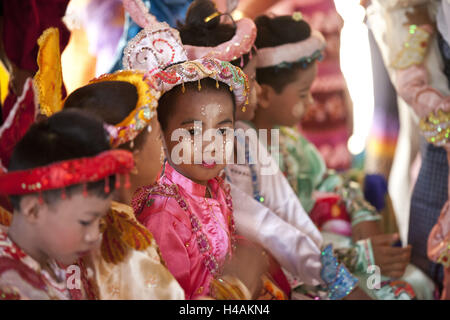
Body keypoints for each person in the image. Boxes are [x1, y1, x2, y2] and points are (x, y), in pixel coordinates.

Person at [176, 0, 363, 300]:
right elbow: (264, 226)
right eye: (251, 80)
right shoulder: (207, 157)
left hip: (273, 269)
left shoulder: (245, 137)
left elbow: (287, 209)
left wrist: (333, 276)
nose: (259, 90)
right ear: (222, 89)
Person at [62, 70, 185, 300]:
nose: (166, 146)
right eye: (159, 137)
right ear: (132, 160)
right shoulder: (126, 241)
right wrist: (235, 289)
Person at [0, 110, 134, 299]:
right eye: (86, 222)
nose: (94, 236)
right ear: (34, 210)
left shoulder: (50, 255)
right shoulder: (10, 287)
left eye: (99, 221)